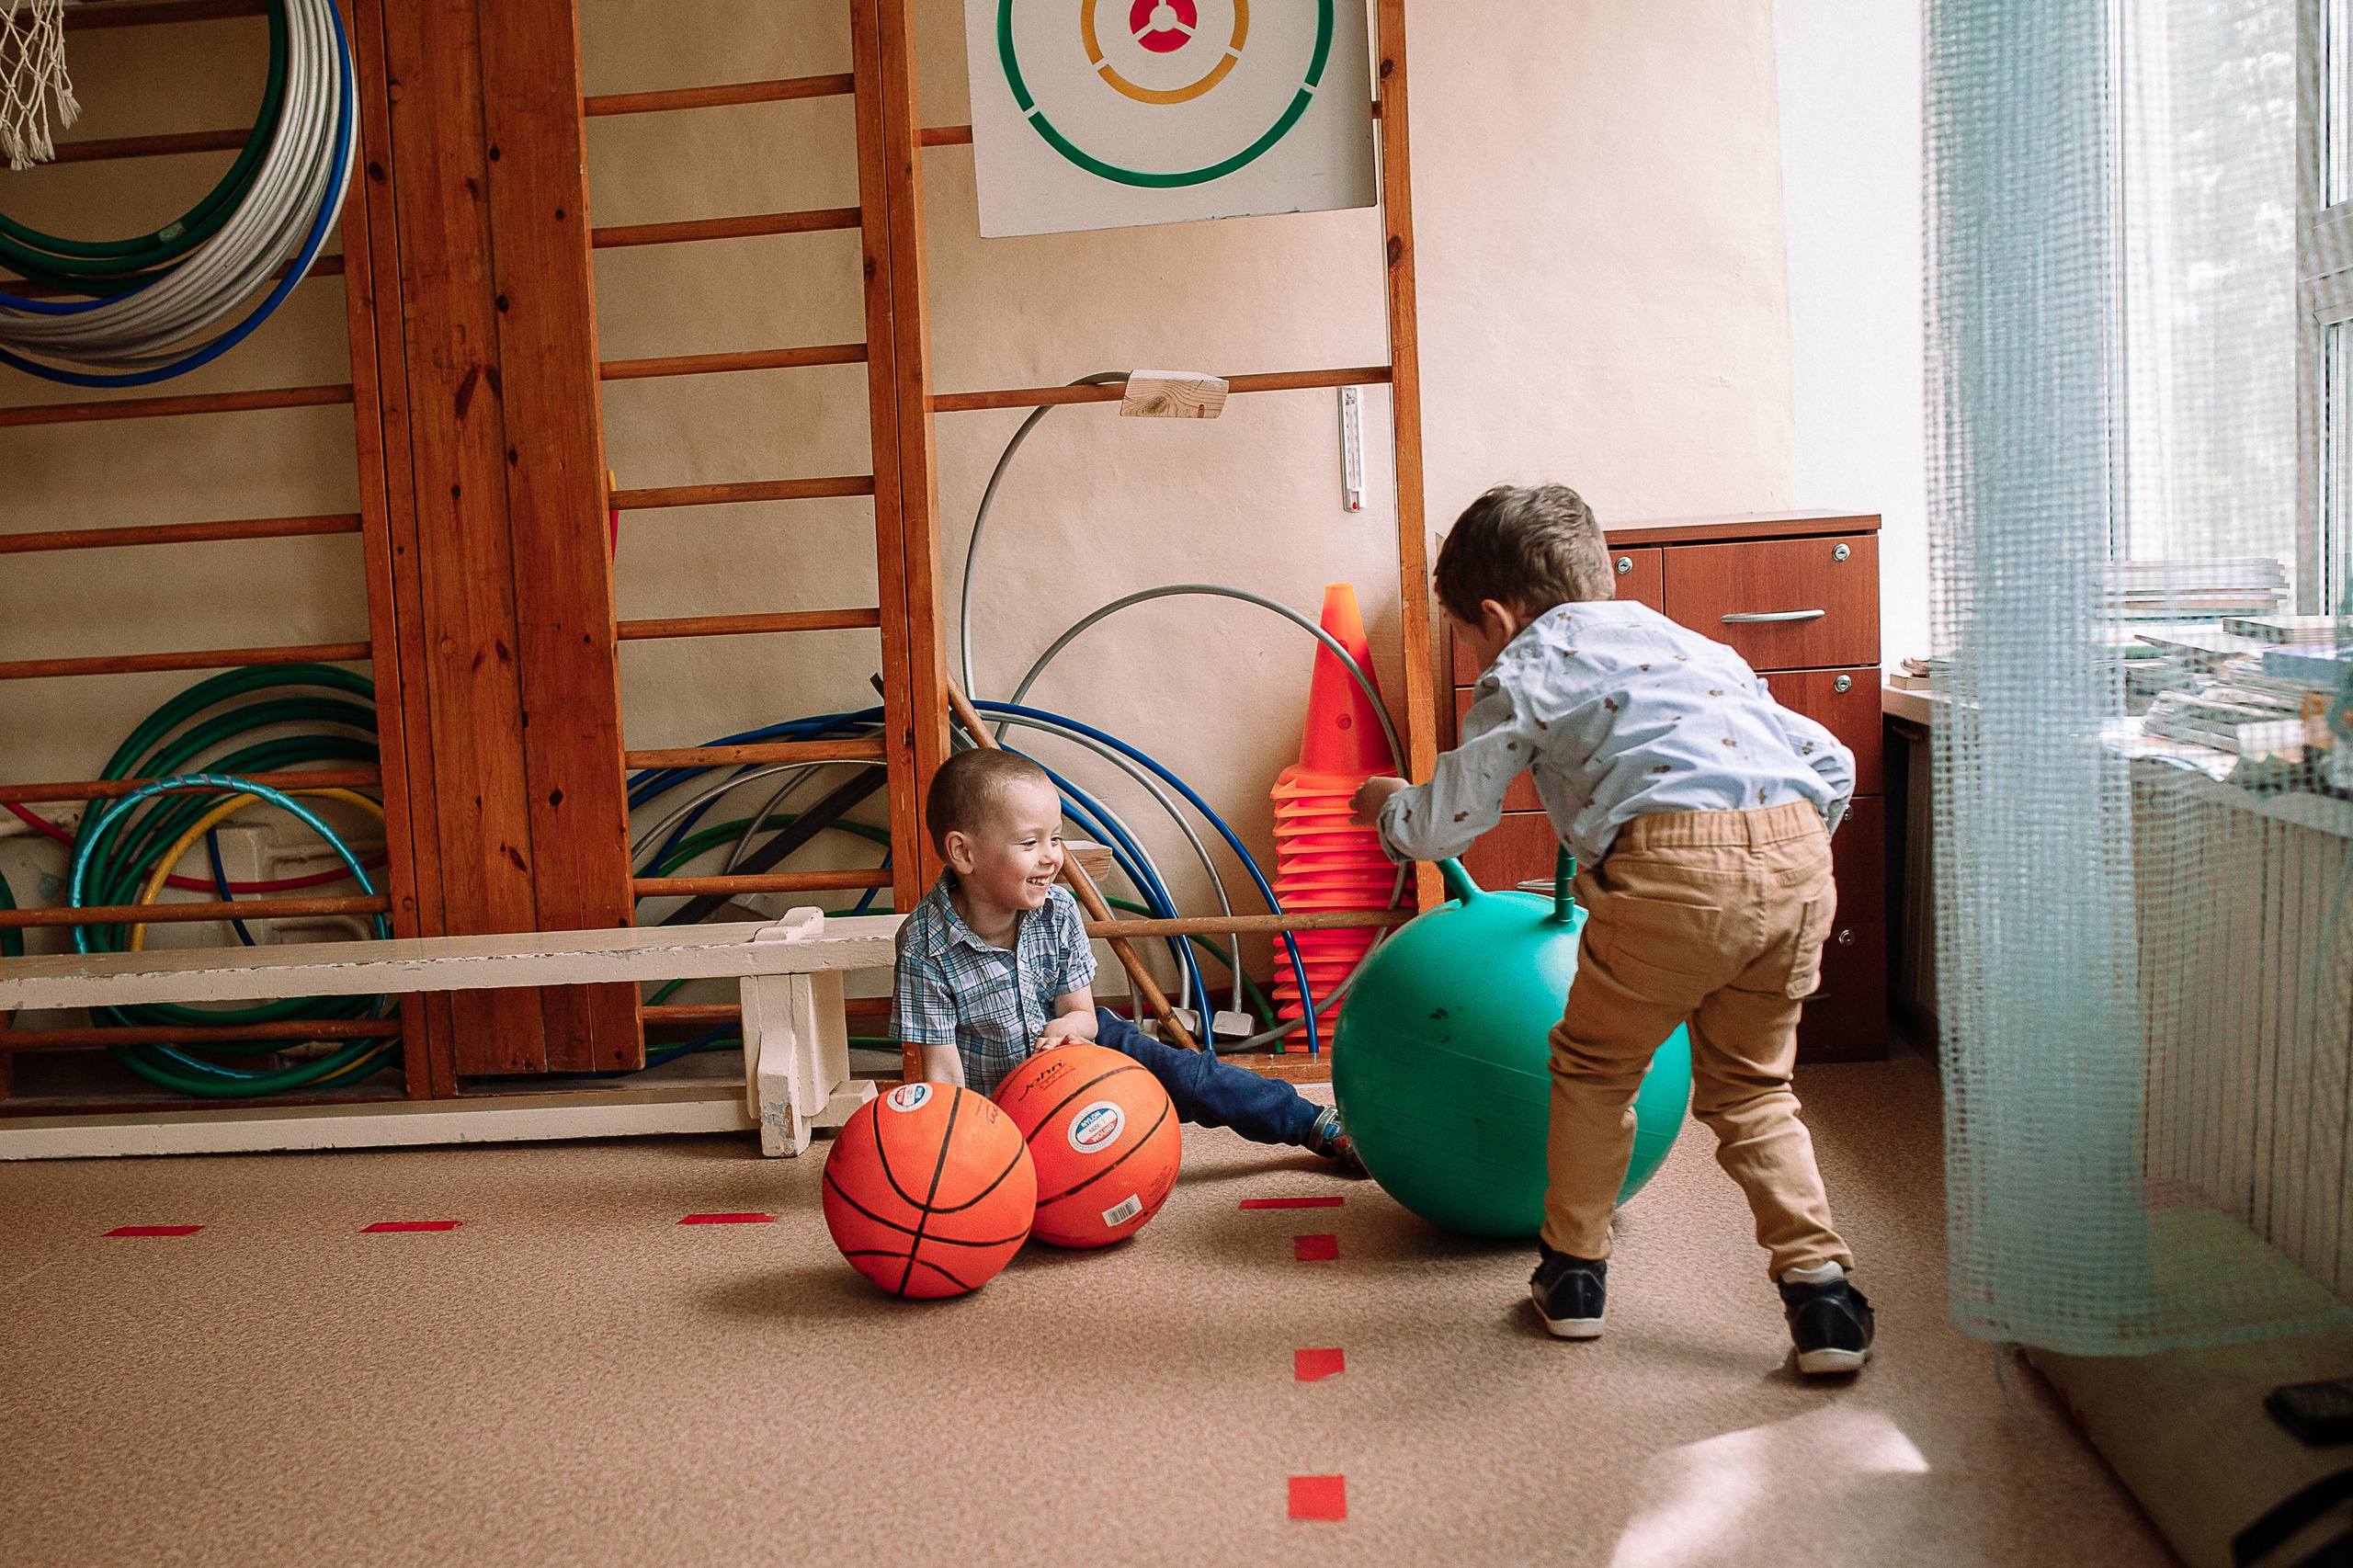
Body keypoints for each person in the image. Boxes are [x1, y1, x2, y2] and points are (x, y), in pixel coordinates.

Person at [1351, 483, 1874, 1374]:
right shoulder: (1684, 641)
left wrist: (1389, 810)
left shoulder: (1527, 662)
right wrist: (1776, 860)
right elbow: (1830, 757)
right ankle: (1820, 1291)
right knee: (1752, 1090)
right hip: (1795, 856)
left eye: (1471, 639)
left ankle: (1574, 1275)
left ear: (1494, 613)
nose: (1478, 653)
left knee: (1594, 1070)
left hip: (1667, 869)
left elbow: (1447, 827)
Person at [893, 746, 1361, 1173]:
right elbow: (945, 1077)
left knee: (1192, 1077)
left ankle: (1313, 1123)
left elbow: (1079, 1013)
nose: (1051, 857)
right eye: (1029, 842)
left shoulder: (1057, 910)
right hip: (1006, 1094)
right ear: (963, 853)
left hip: (1087, 1044)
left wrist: (1071, 1029)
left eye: (1055, 838)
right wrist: (968, 1154)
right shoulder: (922, 945)